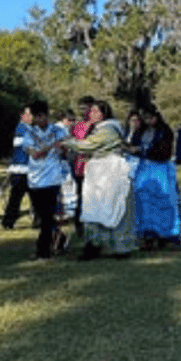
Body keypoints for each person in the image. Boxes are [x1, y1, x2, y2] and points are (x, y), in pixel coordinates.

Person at [61, 99, 138, 261]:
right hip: (98, 172)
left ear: (105, 113)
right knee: (95, 208)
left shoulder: (109, 129)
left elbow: (88, 145)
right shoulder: (100, 128)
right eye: (91, 111)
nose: (92, 114)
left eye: (96, 111)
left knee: (114, 207)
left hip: (110, 172)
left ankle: (120, 247)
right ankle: (94, 244)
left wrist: (66, 142)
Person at [131, 105, 181, 250]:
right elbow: (133, 145)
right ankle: (148, 236)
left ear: (156, 116)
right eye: (145, 118)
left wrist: (143, 150)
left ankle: (166, 235)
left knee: (163, 201)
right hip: (144, 170)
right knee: (144, 203)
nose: (148, 121)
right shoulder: (141, 131)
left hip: (160, 169)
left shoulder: (164, 131)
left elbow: (164, 152)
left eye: (150, 118)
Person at [22, 100, 69, 261]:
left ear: (47, 115)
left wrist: (63, 147)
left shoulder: (58, 130)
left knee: (47, 217)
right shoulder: (29, 133)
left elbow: (67, 148)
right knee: (42, 217)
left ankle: (43, 251)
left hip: (52, 179)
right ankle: (60, 239)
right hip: (35, 180)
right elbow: (35, 154)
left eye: (42, 116)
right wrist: (51, 146)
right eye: (36, 116)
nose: (39, 119)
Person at [0, 106, 34, 230]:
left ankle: (38, 221)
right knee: (16, 197)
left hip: (28, 168)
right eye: (29, 114)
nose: (32, 116)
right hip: (21, 169)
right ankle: (8, 221)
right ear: (22, 115)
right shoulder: (21, 129)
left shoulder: (29, 128)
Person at [69, 95, 96, 237]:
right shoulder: (77, 125)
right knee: (81, 195)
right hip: (79, 166)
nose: (83, 111)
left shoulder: (98, 125)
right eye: (81, 108)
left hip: (96, 166)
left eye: (86, 108)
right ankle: (79, 225)